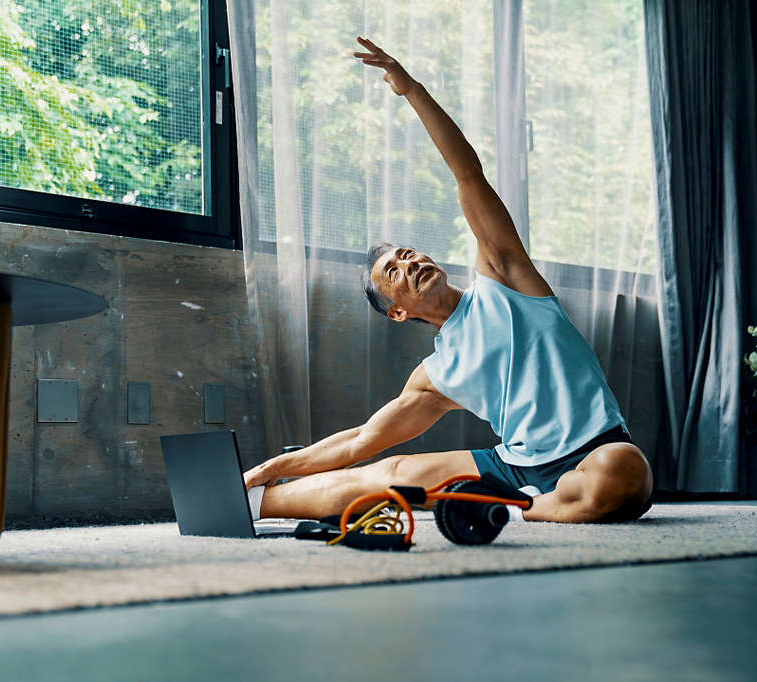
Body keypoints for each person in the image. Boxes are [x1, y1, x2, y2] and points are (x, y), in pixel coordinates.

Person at [242, 36, 653, 524]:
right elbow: (361, 442)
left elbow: (468, 175)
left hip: (595, 451)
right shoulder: (437, 375)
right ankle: (253, 502)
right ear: (398, 312)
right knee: (387, 473)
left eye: (408, 252)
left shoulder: (505, 278)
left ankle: (522, 508)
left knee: (623, 471)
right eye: (393, 270)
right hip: (516, 463)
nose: (409, 262)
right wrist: (273, 466)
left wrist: (412, 90)